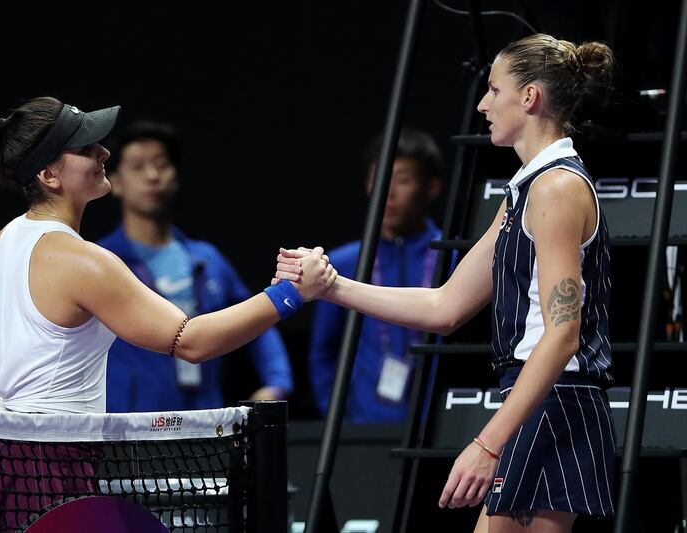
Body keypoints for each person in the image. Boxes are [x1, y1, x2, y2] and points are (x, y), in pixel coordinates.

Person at [278, 34, 616, 532]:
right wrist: (331, 287)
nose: (483, 104)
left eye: (493, 90)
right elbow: (446, 306)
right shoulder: (527, 188)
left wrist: (487, 443)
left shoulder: (556, 187)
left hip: (554, 401)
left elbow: (563, 334)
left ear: (529, 97)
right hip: (540, 400)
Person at [0, 96, 333, 415]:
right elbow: (192, 342)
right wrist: (291, 293)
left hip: (3, 460)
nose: (104, 152)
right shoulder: (84, 261)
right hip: (59, 464)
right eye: (86, 149)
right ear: (49, 175)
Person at [98, 120, 293, 412]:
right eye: (138, 167)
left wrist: (277, 382)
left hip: (204, 424)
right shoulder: (101, 262)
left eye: (162, 164)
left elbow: (258, 320)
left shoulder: (207, 258)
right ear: (115, 181)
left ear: (175, 175)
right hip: (131, 433)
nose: (152, 175)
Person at [308, 128, 443, 422]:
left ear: (431, 187)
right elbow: (323, 352)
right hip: (362, 429)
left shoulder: (454, 257)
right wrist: (339, 419)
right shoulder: (342, 263)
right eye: (379, 179)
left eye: (402, 180)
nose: (388, 192)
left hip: (438, 425)